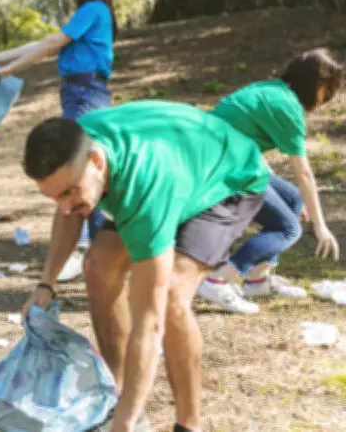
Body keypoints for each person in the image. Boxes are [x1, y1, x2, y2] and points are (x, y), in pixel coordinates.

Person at [20, 100, 270, 432]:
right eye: (54, 197)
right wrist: (46, 283)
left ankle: (188, 423)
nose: (65, 208)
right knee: (98, 267)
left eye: (69, 192)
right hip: (178, 167)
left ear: (96, 161)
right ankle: (118, 397)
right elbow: (68, 211)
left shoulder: (145, 189)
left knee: (168, 297)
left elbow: (149, 322)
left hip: (226, 180)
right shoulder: (79, 145)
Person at [0, 0, 117, 281]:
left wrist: (7, 70)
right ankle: (91, 250)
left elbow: (50, 45)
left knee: (80, 171)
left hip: (85, 93)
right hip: (77, 92)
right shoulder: (88, 12)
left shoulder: (93, 9)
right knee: (78, 169)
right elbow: (43, 43)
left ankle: (90, 251)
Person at [197, 48, 343, 314]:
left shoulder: (273, 90)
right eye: (330, 89)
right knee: (289, 229)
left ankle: (257, 280)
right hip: (220, 166)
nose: (329, 98)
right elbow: (304, 174)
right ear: (318, 85)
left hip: (225, 157)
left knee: (293, 199)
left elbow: (246, 136)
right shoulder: (287, 107)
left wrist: (286, 198)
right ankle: (218, 279)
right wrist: (321, 226)